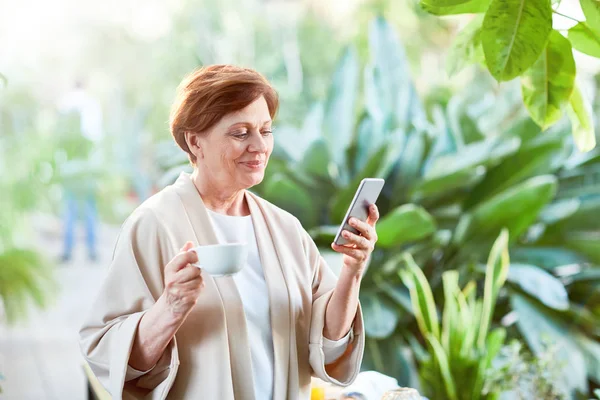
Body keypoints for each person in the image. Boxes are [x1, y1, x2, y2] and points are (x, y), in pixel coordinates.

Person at [79, 65, 380, 400]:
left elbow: (328, 341)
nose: (259, 147)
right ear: (195, 142)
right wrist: (170, 308)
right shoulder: (154, 224)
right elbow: (108, 353)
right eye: (240, 133)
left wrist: (352, 271)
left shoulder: (285, 228)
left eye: (265, 131)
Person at [56, 80, 104, 263]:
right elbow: (94, 159)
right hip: (85, 180)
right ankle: (91, 251)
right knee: (89, 213)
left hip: (71, 181)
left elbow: (60, 159)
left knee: (69, 213)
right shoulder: (87, 138)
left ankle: (68, 251)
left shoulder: (65, 138)